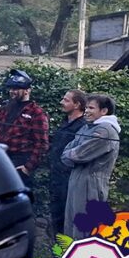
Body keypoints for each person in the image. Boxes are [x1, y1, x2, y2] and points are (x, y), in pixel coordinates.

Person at [62, 93, 121, 238]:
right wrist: (71, 154)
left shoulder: (105, 131)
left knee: (85, 228)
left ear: (104, 111)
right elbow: (66, 153)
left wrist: (71, 154)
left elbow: (79, 155)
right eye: (86, 107)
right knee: (70, 225)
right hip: (76, 179)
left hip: (91, 183)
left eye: (91, 108)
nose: (86, 111)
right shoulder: (87, 127)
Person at [0, 69, 49, 189]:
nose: (12, 91)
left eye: (16, 89)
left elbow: (42, 144)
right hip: (3, 157)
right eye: (11, 88)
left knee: (17, 195)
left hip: (21, 160)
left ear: (27, 90)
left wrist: (28, 167)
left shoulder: (36, 112)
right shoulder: (8, 107)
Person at [47, 89, 87, 237]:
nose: (61, 102)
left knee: (67, 217)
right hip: (56, 177)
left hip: (69, 179)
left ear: (77, 105)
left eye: (66, 100)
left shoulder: (83, 127)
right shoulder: (65, 123)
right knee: (56, 215)